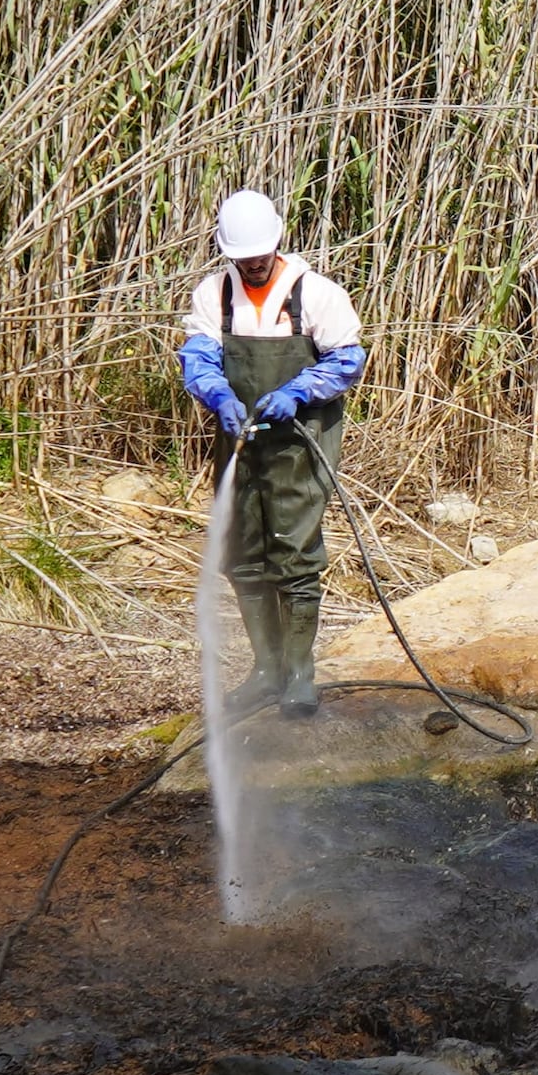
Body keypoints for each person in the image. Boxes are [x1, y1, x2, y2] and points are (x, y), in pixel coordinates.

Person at [176, 190, 365, 717]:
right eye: (242, 258)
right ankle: (265, 670)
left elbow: (348, 360)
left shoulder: (316, 294)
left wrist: (299, 391)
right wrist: (216, 392)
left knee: (295, 552)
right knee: (243, 552)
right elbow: (198, 355)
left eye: (259, 255)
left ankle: (301, 675)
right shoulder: (214, 296)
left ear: (277, 241)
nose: (253, 264)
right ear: (227, 253)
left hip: (299, 441)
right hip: (239, 441)